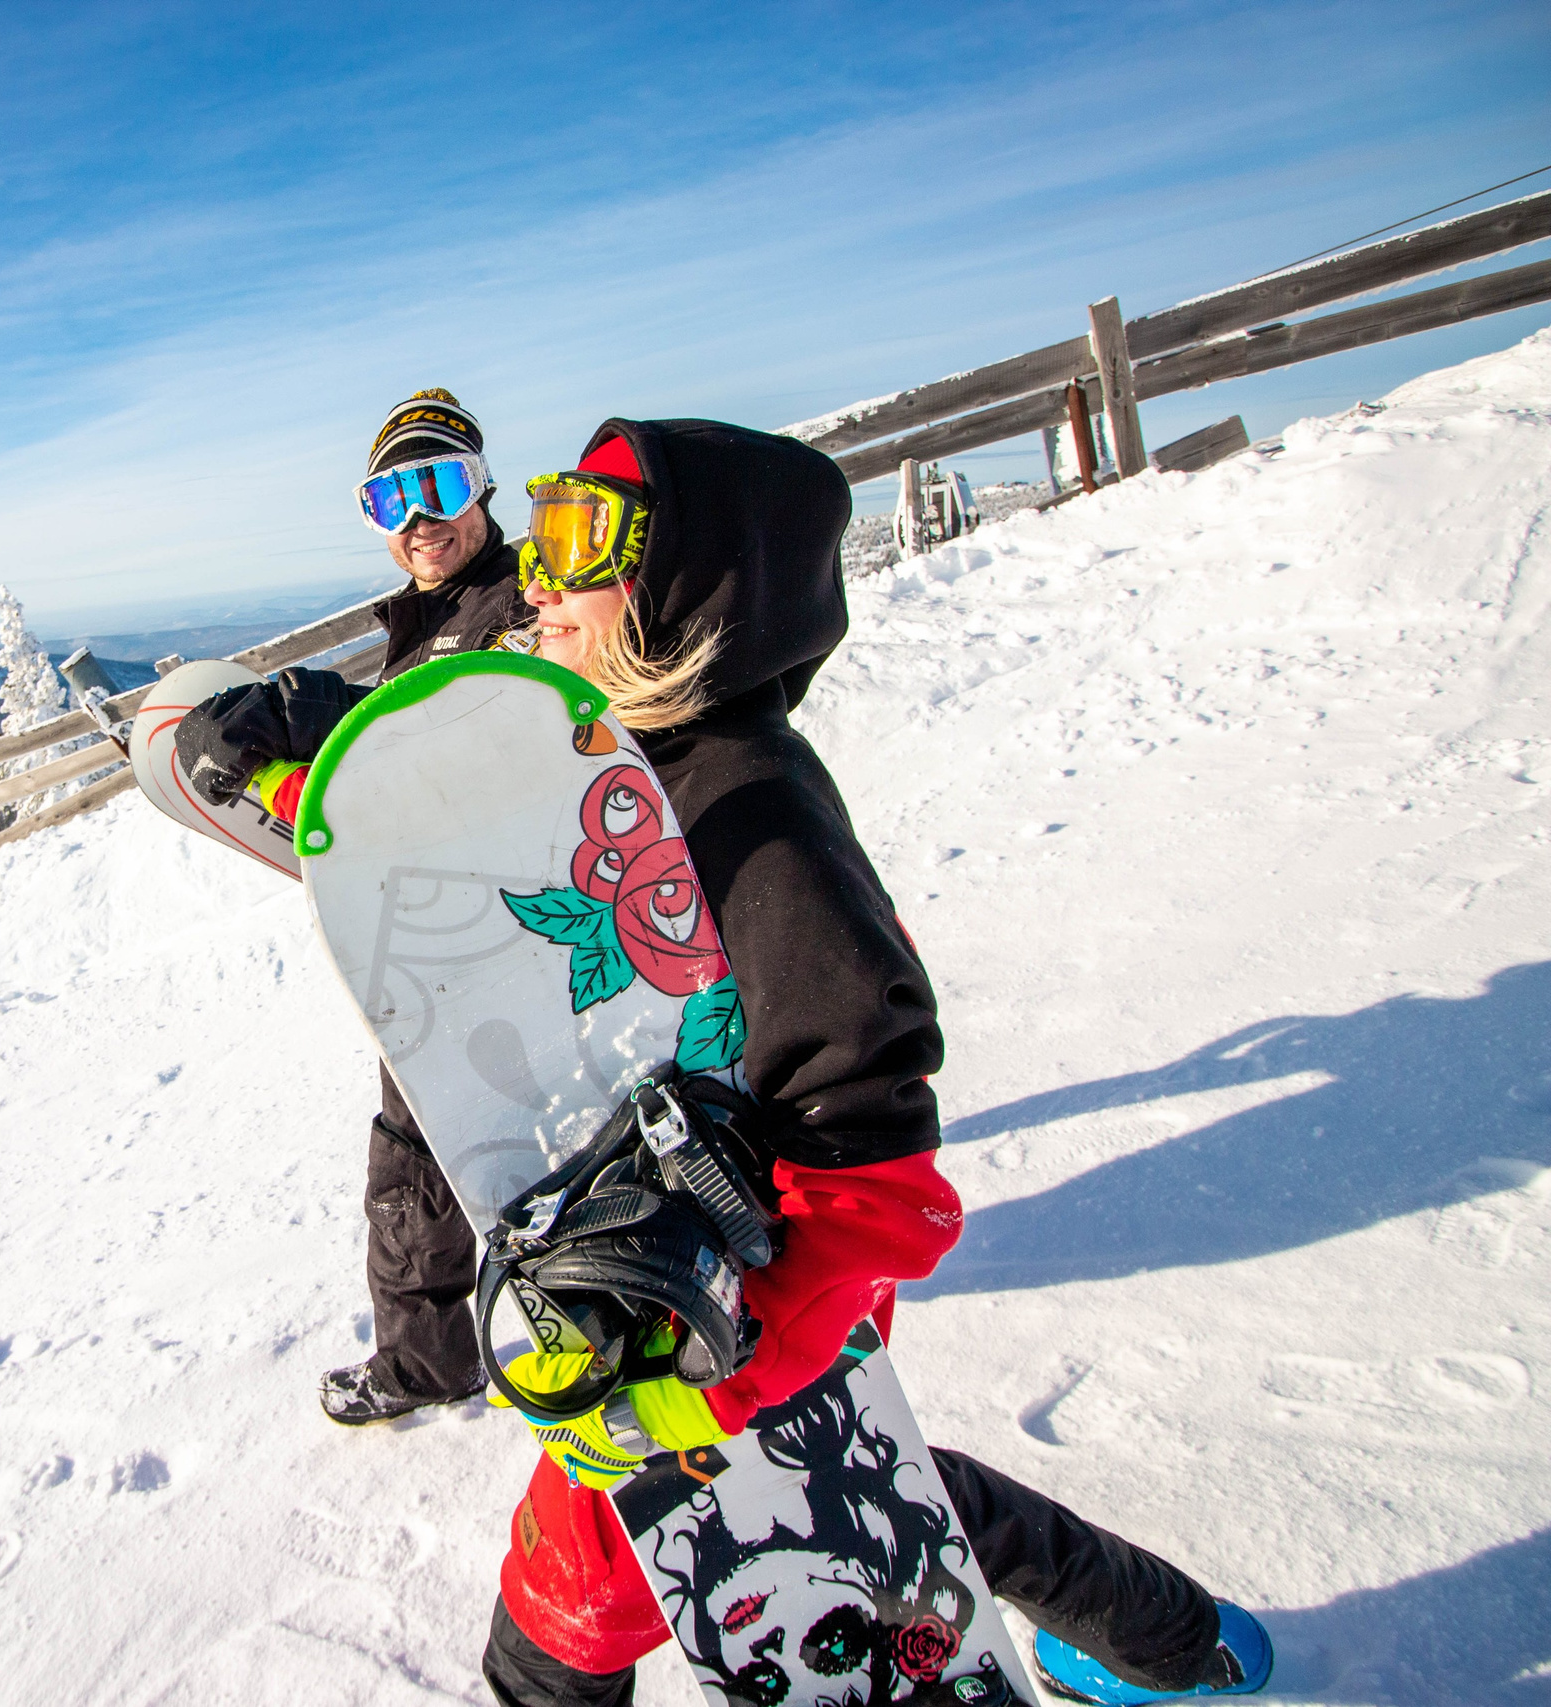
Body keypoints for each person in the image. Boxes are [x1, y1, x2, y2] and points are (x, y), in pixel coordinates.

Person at [470, 418, 1272, 1707]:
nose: (539, 574)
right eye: (543, 527)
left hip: (735, 1311)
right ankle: (1160, 1629)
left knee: (738, 1528)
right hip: (641, 1286)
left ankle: (1170, 1635)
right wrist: (293, 764)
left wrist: (738, 1365)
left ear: (687, 584)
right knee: (801, 1501)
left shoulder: (747, 809)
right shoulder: (619, 771)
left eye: (582, 538)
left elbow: (875, 1162)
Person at [177, 387, 531, 1425]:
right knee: (424, 1144)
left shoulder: (521, 600)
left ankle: (503, 1350)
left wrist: (306, 707)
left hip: (518, 929)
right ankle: (436, 1356)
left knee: (438, 1147)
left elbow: (456, 725)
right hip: (439, 922)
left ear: (483, 485)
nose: (420, 519)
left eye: (440, 484)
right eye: (392, 500)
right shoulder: (438, 614)